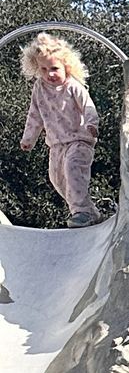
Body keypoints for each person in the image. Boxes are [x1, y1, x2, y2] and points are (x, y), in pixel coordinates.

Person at [19, 35, 102, 228]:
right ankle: (88, 210)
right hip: (56, 144)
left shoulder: (73, 86)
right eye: (44, 69)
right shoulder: (39, 88)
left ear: (66, 66)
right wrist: (28, 138)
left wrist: (91, 124)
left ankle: (81, 211)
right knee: (56, 178)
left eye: (55, 68)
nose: (50, 74)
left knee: (72, 169)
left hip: (79, 141)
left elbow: (88, 107)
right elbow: (35, 114)